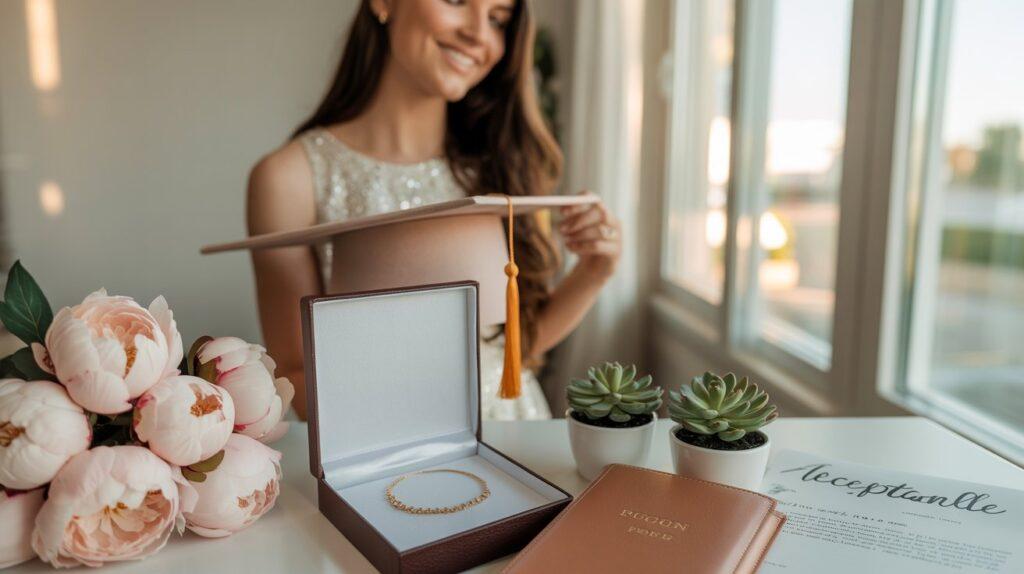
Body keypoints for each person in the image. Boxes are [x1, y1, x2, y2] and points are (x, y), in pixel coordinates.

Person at [246, 0, 622, 421]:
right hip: (391, 455)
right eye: (458, 1)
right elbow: (298, 374)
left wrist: (593, 273)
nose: (479, 34)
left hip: (516, 432)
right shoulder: (289, 179)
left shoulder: (500, 164)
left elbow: (510, 351)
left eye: (498, 19)